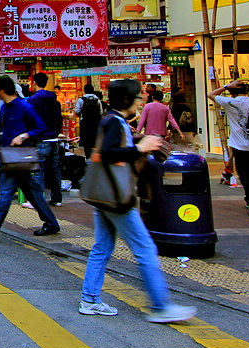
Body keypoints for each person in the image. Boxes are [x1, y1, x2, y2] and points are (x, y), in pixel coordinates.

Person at [80, 79, 198, 323]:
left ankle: (89, 299)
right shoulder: (115, 122)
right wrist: (140, 147)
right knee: (145, 248)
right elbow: (111, 153)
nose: (141, 101)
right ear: (126, 100)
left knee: (102, 247)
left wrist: (139, 142)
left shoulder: (112, 120)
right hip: (116, 198)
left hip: (104, 195)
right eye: (137, 97)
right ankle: (161, 305)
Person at [0, 76, 60, 241]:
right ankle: (51, 223)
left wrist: (24, 135)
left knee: (6, 192)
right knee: (32, 192)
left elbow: (41, 127)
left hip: (19, 157)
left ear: (1, 90)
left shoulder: (24, 106)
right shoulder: (6, 108)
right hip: (9, 157)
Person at [208, 80, 249, 217]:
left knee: (244, 176)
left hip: (240, 147)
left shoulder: (231, 102)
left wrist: (227, 86)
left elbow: (211, 94)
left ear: (231, 92)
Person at [28, 73, 65, 207]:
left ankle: (38, 200)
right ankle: (57, 198)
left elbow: (30, 120)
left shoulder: (33, 100)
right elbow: (58, 119)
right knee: (55, 170)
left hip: (40, 139)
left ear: (35, 83)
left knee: (39, 170)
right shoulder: (54, 100)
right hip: (53, 139)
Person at [73, 83, 103, 157]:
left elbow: (77, 111)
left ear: (84, 90)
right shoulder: (97, 99)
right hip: (95, 123)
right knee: (94, 140)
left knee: (86, 141)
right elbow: (101, 112)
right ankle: (95, 155)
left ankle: (87, 156)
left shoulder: (81, 100)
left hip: (85, 123)